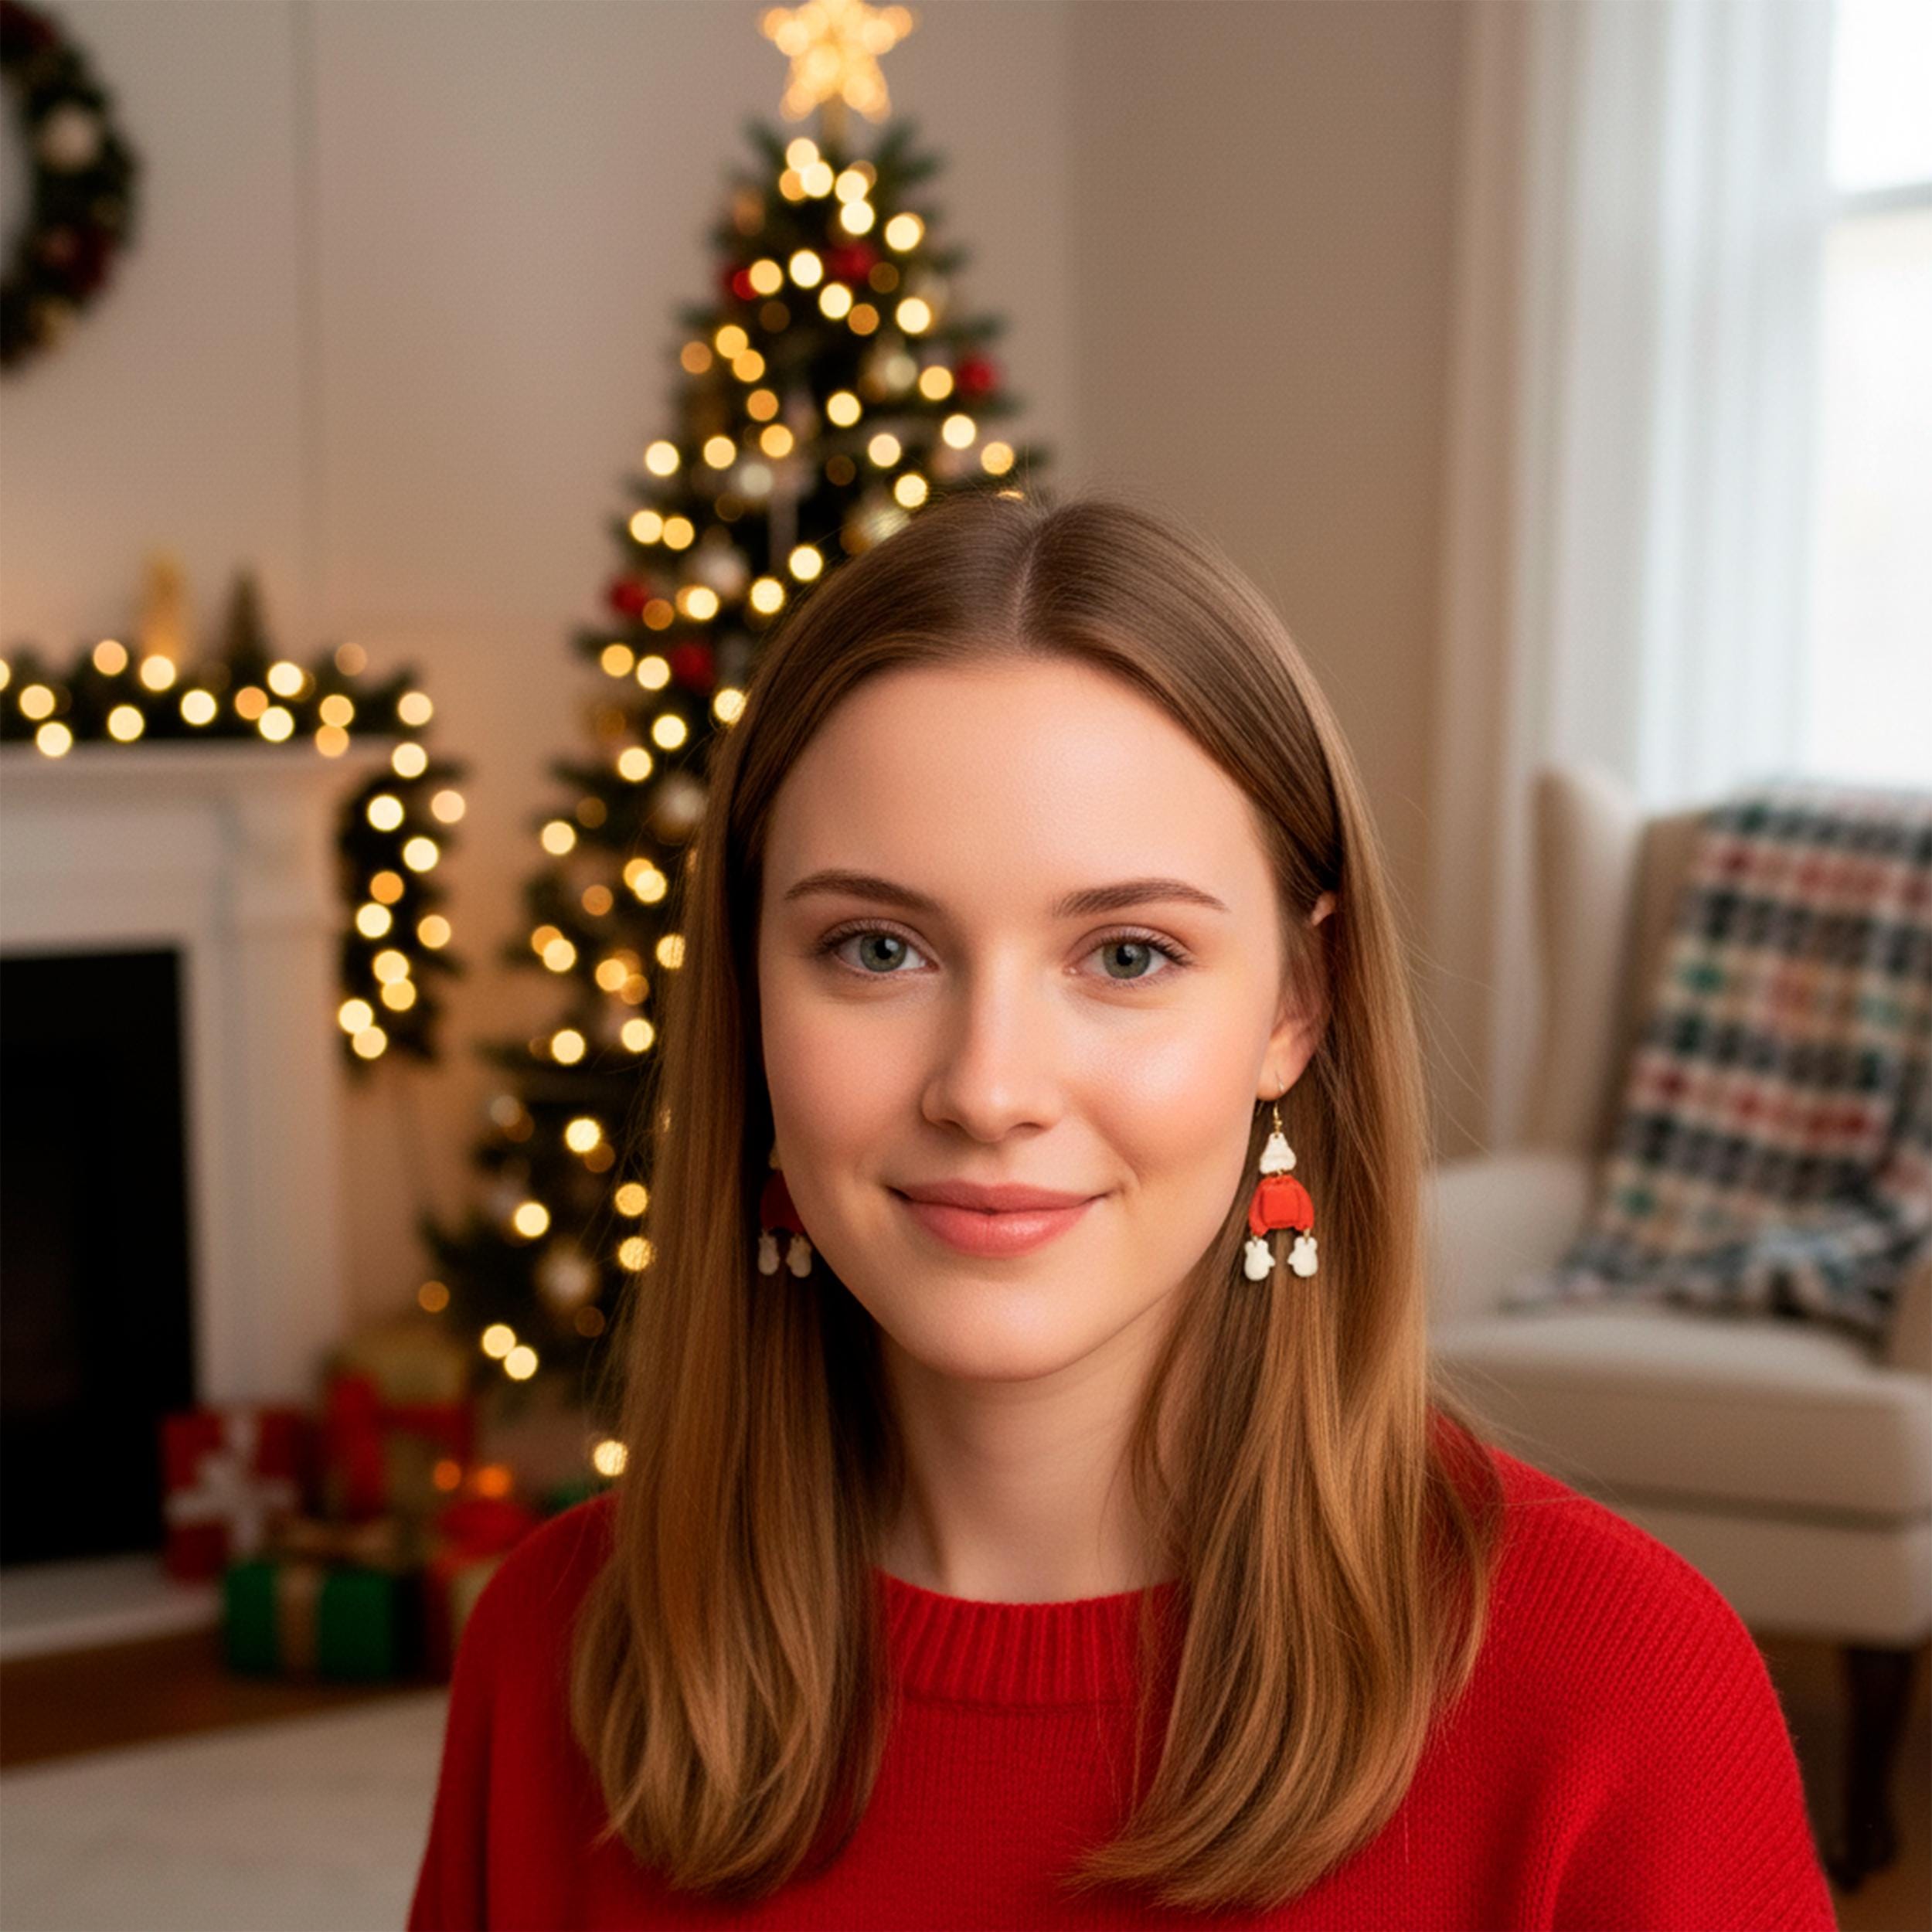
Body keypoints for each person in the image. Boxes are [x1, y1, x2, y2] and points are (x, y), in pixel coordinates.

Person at [407, 489, 1837, 1929]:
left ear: (1297, 1000)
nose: (988, 1087)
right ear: (752, 997)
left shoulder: (1620, 1696)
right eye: (878, 946)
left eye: (1130, 955)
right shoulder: (552, 1651)